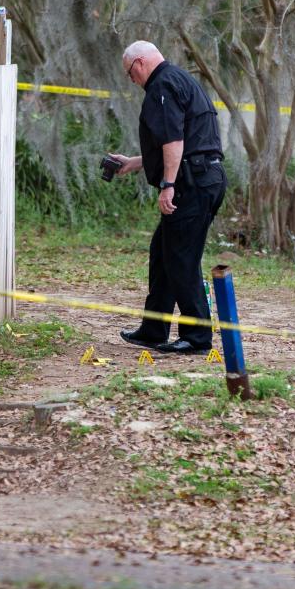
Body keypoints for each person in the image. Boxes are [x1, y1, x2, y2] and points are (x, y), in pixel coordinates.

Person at [109, 41, 227, 355]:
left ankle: (198, 337)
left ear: (137, 65)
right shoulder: (180, 79)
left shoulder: (161, 86)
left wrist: (168, 185)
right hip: (203, 177)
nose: (132, 82)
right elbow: (180, 143)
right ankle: (153, 329)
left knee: (181, 259)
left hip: (191, 183)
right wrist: (133, 163)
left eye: (129, 75)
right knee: (163, 253)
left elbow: (174, 142)